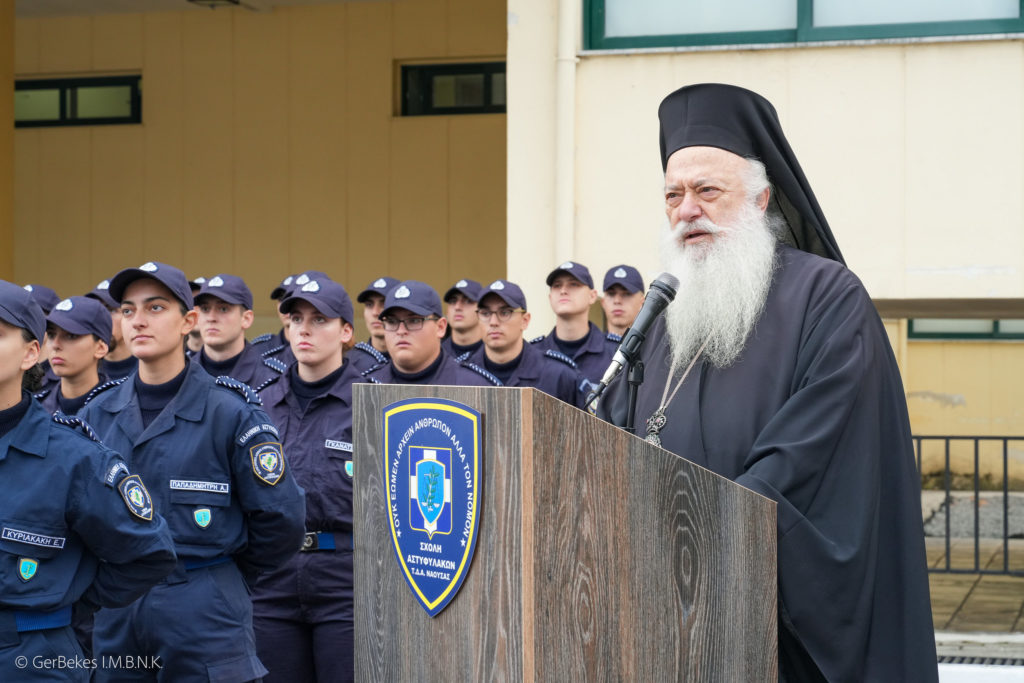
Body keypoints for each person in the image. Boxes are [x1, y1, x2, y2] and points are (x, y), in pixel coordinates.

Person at [597, 83, 937, 682]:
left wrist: (693, 534)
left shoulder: (827, 298)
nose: (686, 210)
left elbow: (810, 462)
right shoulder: (665, 309)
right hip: (654, 617)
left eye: (707, 190)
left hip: (768, 629)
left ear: (759, 199)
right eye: (673, 194)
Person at [79, 261, 306, 682]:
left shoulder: (230, 412)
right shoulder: (97, 413)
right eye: (127, 311)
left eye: (155, 308)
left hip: (204, 607)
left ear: (189, 321)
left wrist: (225, 578)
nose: (138, 321)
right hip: (118, 608)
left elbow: (282, 519)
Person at [0, 280, 176, 683]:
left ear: (31, 353)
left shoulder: (74, 459)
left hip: (30, 659)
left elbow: (148, 554)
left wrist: (68, 600)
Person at [252, 275, 362, 683]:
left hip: (346, 580)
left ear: (346, 332)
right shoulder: (260, 404)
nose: (304, 329)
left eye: (320, 320)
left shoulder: (371, 403)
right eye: (296, 318)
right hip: (272, 580)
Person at [462, 279, 586, 408]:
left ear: (525, 320)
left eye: (505, 313)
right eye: (485, 313)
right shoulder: (462, 375)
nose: (493, 322)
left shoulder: (558, 376)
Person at [363, 281, 500, 387]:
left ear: (440, 327)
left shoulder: (475, 386)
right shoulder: (366, 385)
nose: (401, 331)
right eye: (392, 322)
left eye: (414, 321)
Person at [529, 261, 618, 392]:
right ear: (550, 297)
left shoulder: (615, 353)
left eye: (574, 284)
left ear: (592, 296)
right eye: (557, 286)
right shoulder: (533, 354)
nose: (563, 291)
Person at [193, 274, 284, 392]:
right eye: (205, 309)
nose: (211, 318)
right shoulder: (179, 373)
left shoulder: (273, 379)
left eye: (223, 309)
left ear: (246, 319)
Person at [35, 296, 111, 416]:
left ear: (100, 348)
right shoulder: (35, 411)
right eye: (51, 335)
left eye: (71, 336)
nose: (55, 345)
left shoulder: (121, 407)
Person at [87, 278, 138, 381]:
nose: (101, 318)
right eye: (96, 310)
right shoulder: (83, 371)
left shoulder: (150, 370)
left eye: (111, 310)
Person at [350, 276, 399, 373]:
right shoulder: (349, 362)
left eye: (384, 304)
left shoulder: (416, 361)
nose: (375, 312)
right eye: (369, 305)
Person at [440, 278, 483, 360]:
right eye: (453, 301)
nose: (457, 307)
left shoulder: (493, 353)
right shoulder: (436, 354)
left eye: (468, 301)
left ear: (482, 311)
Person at [600, 265, 645, 337]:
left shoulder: (653, 346)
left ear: (642, 303)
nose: (617, 301)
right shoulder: (588, 347)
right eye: (611, 294)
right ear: (603, 302)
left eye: (627, 294)